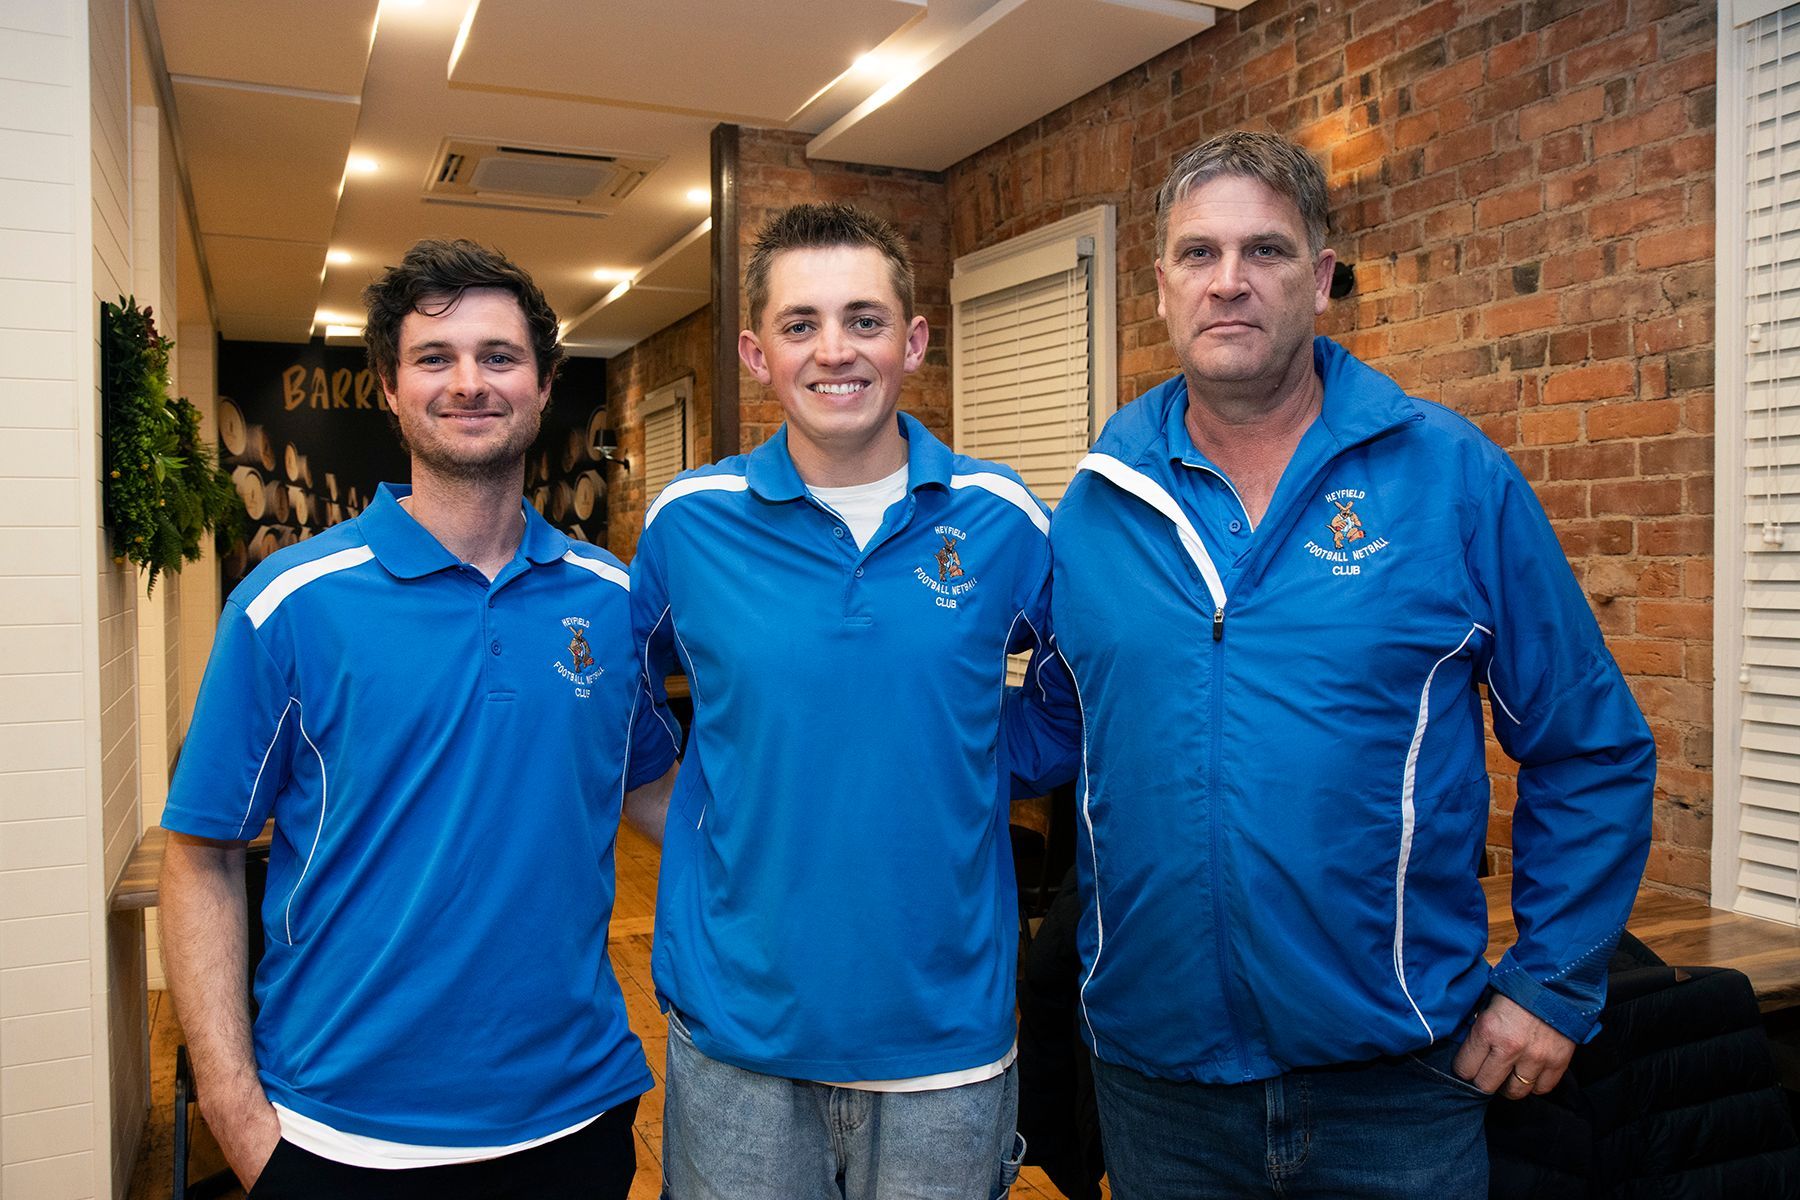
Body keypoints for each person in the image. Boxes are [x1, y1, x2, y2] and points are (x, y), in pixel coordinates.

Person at [1047, 131, 1656, 1198]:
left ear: (1320, 280)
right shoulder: (1096, 506)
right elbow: (1051, 730)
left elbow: (1588, 744)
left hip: (1399, 1086)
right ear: (1158, 288)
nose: (1229, 282)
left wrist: (1553, 984)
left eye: (1266, 251)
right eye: (1197, 255)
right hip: (1159, 1087)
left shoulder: (1450, 476)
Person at [160, 239, 676, 1199]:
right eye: (434, 358)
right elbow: (202, 855)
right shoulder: (290, 603)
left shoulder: (613, 599)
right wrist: (238, 1116)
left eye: (499, 356)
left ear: (545, 383)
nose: (469, 382)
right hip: (342, 1132)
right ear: (391, 390)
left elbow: (653, 791)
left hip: (576, 1116)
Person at [627, 202, 1069, 1199]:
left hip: (943, 1039)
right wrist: (697, 808)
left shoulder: (999, 520)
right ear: (756, 352)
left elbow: (1079, 682)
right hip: (741, 1034)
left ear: (912, 341)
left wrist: (981, 765)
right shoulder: (690, 523)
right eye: (801, 325)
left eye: (865, 320)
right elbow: (615, 696)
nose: (836, 351)